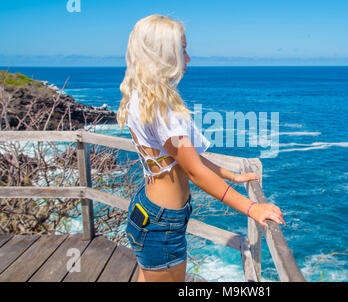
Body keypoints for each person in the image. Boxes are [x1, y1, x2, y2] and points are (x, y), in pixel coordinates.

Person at [117, 14, 285, 282]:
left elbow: (184, 159)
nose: (188, 58)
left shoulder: (141, 96)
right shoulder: (163, 108)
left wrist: (230, 174)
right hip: (162, 223)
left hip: (150, 211)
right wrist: (252, 208)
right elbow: (194, 171)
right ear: (164, 55)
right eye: (182, 49)